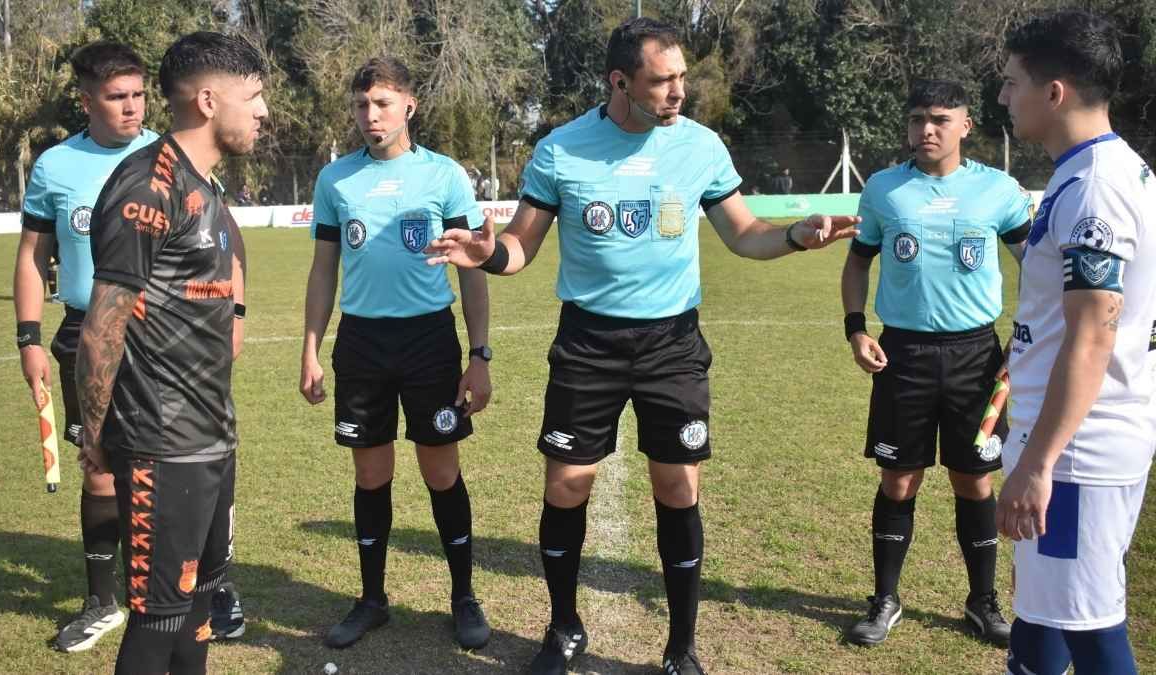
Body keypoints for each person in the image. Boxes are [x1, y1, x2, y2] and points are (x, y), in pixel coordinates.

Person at [425, 17, 857, 675]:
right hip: (588, 343)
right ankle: (565, 626)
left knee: (679, 484)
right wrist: (487, 253)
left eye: (681, 78)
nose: (678, 92)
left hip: (671, 344)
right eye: (663, 82)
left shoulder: (701, 147)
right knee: (568, 484)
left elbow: (744, 233)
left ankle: (682, 644)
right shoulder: (561, 150)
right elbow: (520, 248)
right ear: (619, 82)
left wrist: (797, 234)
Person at [75, 31, 264, 673]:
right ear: (210, 101)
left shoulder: (202, 185)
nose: (263, 111)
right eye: (255, 95)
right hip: (162, 442)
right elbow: (103, 325)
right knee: (157, 623)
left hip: (211, 435)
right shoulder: (146, 186)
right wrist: (96, 433)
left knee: (200, 613)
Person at [299, 56, 493, 652]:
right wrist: (311, 348)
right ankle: (372, 599)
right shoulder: (336, 181)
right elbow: (324, 269)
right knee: (370, 472)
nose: (369, 115)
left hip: (429, 340)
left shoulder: (444, 176)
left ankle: (463, 596)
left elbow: (474, 270)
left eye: (381, 103)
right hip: (361, 342)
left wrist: (480, 354)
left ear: (408, 105)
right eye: (361, 104)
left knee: (440, 470)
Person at [839, 79, 1031, 648]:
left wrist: (1031, 335)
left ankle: (983, 602)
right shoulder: (884, 189)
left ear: (965, 126)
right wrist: (856, 330)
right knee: (899, 479)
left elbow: (1037, 265)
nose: (927, 128)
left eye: (941, 119)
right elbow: (856, 264)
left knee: (973, 480)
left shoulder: (998, 190)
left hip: (977, 357)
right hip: (904, 354)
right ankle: (885, 600)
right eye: (918, 117)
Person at [996, 11, 1154, 674]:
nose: (1003, 96)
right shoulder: (1098, 170)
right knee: (1042, 617)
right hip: (1061, 441)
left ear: (1053, 91)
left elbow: (1092, 337)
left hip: (1075, 459)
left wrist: (1039, 463)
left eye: (1011, 83)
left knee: (1090, 630)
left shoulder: (1095, 188)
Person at [12, 41, 160, 654]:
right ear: (87, 101)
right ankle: (102, 600)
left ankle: (196, 587)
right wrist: (29, 339)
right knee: (98, 468)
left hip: (160, 333)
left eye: (138, 95)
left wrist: (229, 313)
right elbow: (30, 257)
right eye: (116, 97)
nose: (131, 108)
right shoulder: (54, 166)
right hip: (81, 332)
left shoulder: (167, 154)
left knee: (171, 466)